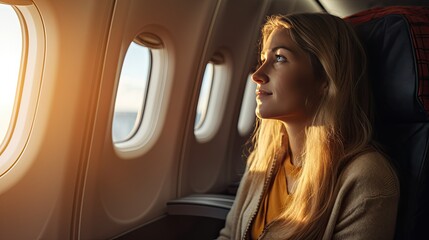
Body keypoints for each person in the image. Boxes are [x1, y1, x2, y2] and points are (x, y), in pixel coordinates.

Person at [217, 13, 399, 240]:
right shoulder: (263, 159)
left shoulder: (365, 178)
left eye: (280, 58)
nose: (257, 75)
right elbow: (229, 235)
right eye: (263, 58)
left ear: (326, 78)